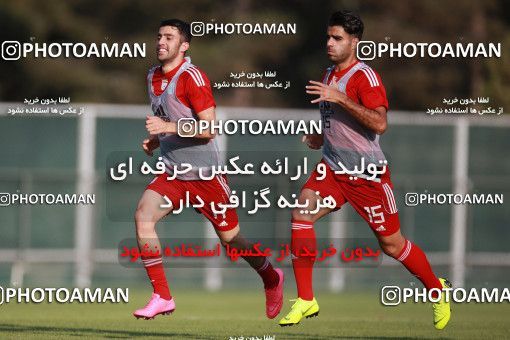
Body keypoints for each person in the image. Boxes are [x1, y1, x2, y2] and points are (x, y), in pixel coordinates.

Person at [278, 10, 451, 330]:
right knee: (301, 213)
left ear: (354, 42)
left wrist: (340, 98)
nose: (329, 43)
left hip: (367, 176)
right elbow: (342, 122)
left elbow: (379, 123)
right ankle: (305, 299)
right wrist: (323, 136)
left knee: (392, 245)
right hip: (332, 168)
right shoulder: (329, 74)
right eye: (328, 36)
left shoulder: (364, 78)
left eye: (337, 38)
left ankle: (437, 289)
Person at [133, 18, 283, 320]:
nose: (161, 42)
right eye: (159, 36)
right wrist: (156, 139)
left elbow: (209, 128)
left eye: (170, 37)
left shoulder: (193, 77)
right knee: (142, 216)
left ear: (184, 45)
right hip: (173, 172)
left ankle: (270, 276)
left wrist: (167, 127)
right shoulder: (152, 76)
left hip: (205, 177)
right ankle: (162, 295)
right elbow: (167, 119)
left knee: (232, 240)